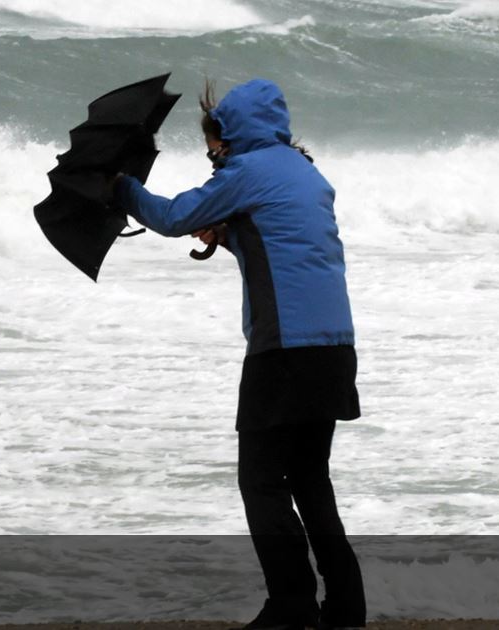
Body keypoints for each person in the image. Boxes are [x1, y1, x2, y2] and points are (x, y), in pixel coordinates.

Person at [110, 78, 366, 630]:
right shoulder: (304, 171)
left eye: (212, 144)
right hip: (334, 347)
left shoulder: (246, 172)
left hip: (284, 350)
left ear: (230, 135)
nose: (211, 154)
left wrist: (121, 186)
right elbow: (286, 239)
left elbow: (172, 216)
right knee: (310, 480)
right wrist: (228, 235)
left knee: (261, 481)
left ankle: (291, 606)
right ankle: (345, 609)